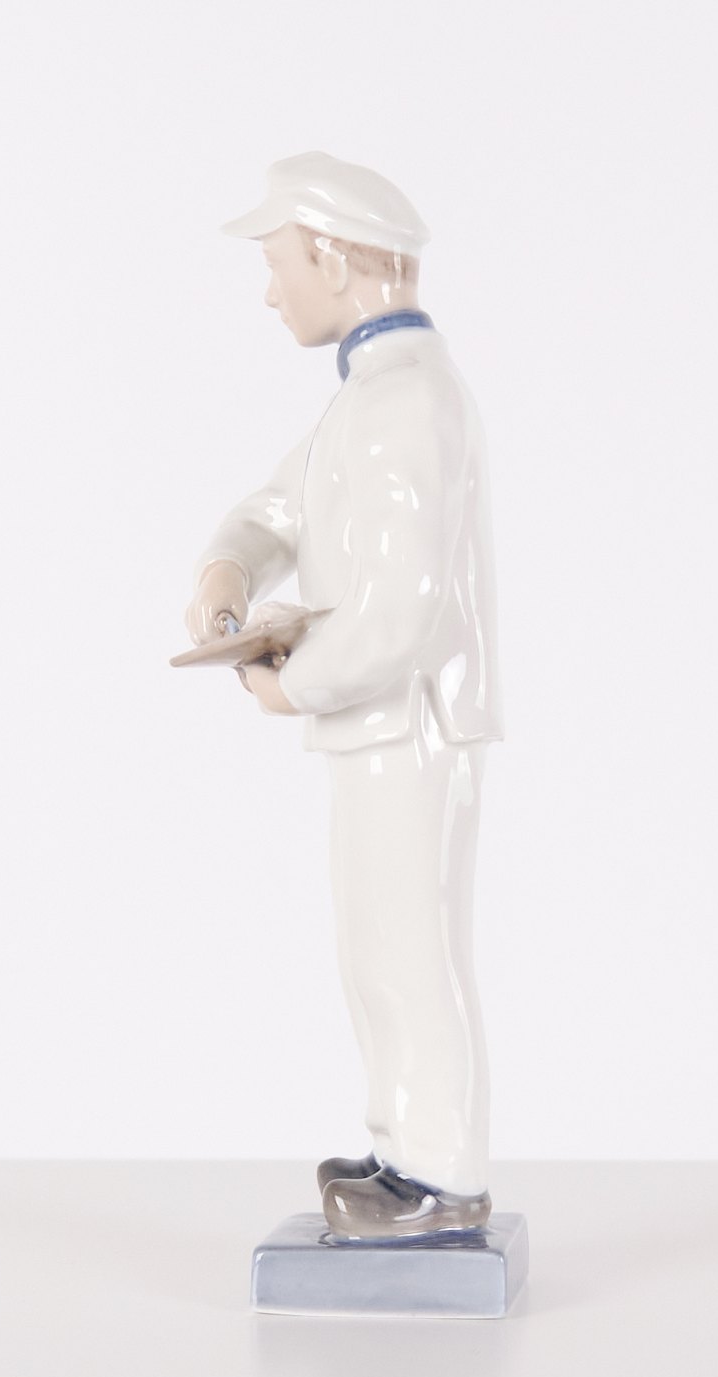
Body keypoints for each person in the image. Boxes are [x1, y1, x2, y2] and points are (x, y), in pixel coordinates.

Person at [184, 153, 503, 1240]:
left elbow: (405, 613)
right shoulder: (371, 399)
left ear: (330, 258)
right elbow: (281, 508)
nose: (270, 292)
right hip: (377, 724)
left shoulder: (405, 402)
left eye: (278, 264)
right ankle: (405, 1151)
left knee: (408, 950)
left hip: (408, 724)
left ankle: (440, 1174)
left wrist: (293, 687)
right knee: (377, 948)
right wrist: (228, 567)